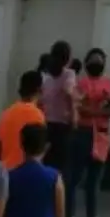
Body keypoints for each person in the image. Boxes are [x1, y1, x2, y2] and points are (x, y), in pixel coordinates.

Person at [65, 49, 110, 217]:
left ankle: (92, 216)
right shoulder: (81, 84)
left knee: (95, 178)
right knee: (76, 176)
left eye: (100, 60)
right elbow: (81, 108)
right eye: (94, 60)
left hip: (101, 134)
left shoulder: (108, 83)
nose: (97, 63)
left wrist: (102, 110)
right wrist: (99, 111)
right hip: (84, 132)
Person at [40, 40, 78, 176]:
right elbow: (68, 92)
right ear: (67, 58)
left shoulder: (46, 75)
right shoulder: (68, 74)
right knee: (61, 164)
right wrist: (73, 114)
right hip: (62, 123)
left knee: (46, 160)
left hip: (46, 121)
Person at [0, 70, 46, 171]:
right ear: (40, 90)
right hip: (25, 172)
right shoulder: (37, 115)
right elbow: (37, 150)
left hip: (5, 171)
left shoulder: (7, 112)